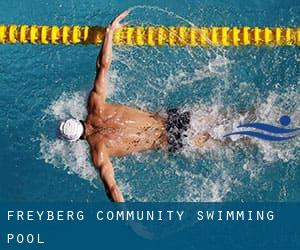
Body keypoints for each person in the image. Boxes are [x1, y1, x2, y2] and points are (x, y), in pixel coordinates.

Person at [58, 11, 210, 202]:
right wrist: (109, 33)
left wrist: (130, 222)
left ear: (76, 140)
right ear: (76, 119)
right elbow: (103, 66)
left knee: (228, 141)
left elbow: (112, 189)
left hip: (171, 140)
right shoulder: (95, 105)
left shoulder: (99, 152)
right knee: (226, 118)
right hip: (172, 118)